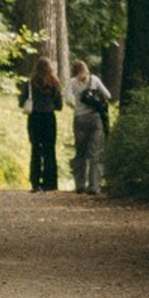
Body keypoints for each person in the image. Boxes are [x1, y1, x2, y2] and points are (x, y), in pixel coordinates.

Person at [67, 59, 112, 194]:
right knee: (95, 153)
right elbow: (108, 95)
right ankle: (94, 186)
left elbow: (68, 100)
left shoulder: (72, 82)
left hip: (79, 119)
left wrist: (76, 107)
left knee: (80, 152)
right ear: (86, 69)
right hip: (95, 119)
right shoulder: (94, 80)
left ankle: (80, 184)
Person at [19, 56, 63, 192]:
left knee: (35, 150)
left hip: (34, 118)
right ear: (50, 68)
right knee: (50, 150)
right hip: (49, 118)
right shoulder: (55, 83)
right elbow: (59, 106)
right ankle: (50, 183)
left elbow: (21, 102)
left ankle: (35, 182)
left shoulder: (30, 84)